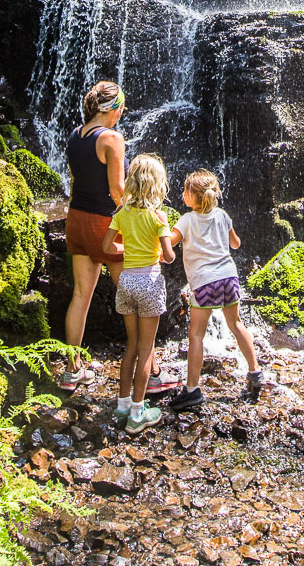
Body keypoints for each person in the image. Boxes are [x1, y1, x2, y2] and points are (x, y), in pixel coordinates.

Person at [61, 81, 175, 396]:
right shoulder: (112, 138)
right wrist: (139, 220)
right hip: (102, 223)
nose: (123, 113)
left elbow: (77, 179)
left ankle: (72, 371)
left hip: (76, 221)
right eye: (121, 107)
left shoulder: (76, 134)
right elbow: (117, 191)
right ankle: (150, 373)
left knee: (80, 297)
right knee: (140, 300)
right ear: (114, 108)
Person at [166, 169, 263, 412]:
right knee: (236, 324)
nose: (182, 194)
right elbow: (236, 243)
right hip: (229, 278)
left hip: (204, 282)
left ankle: (191, 390)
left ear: (191, 196)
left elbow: (170, 242)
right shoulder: (222, 215)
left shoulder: (186, 220)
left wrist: (158, 228)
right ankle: (255, 372)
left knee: (196, 334)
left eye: (184, 191)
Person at [102, 153, 175, 434]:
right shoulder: (158, 217)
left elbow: (108, 247)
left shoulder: (121, 214)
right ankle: (137, 412)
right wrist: (159, 251)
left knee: (131, 346)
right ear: (157, 185)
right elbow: (168, 256)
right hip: (149, 281)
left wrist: (129, 250)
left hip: (127, 282)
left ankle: (121, 404)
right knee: (146, 350)